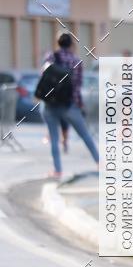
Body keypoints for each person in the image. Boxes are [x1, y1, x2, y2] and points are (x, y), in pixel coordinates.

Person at [40, 33, 99, 179]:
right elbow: (77, 87)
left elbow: (43, 77)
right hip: (69, 105)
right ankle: (99, 162)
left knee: (54, 138)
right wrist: (79, 104)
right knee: (85, 134)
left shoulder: (50, 57)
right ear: (71, 44)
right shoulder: (76, 61)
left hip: (50, 104)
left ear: (57, 43)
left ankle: (58, 170)